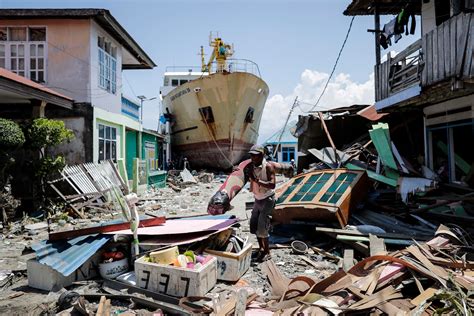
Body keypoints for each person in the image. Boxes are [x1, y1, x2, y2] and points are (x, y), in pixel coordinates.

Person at [244, 144, 276, 262]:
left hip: (267, 199)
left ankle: (267, 252)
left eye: (255, 156)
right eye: (251, 156)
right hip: (258, 198)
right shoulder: (253, 166)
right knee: (255, 225)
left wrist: (257, 181)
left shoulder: (268, 167)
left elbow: (272, 184)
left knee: (263, 226)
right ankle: (261, 248)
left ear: (262, 155)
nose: (253, 158)